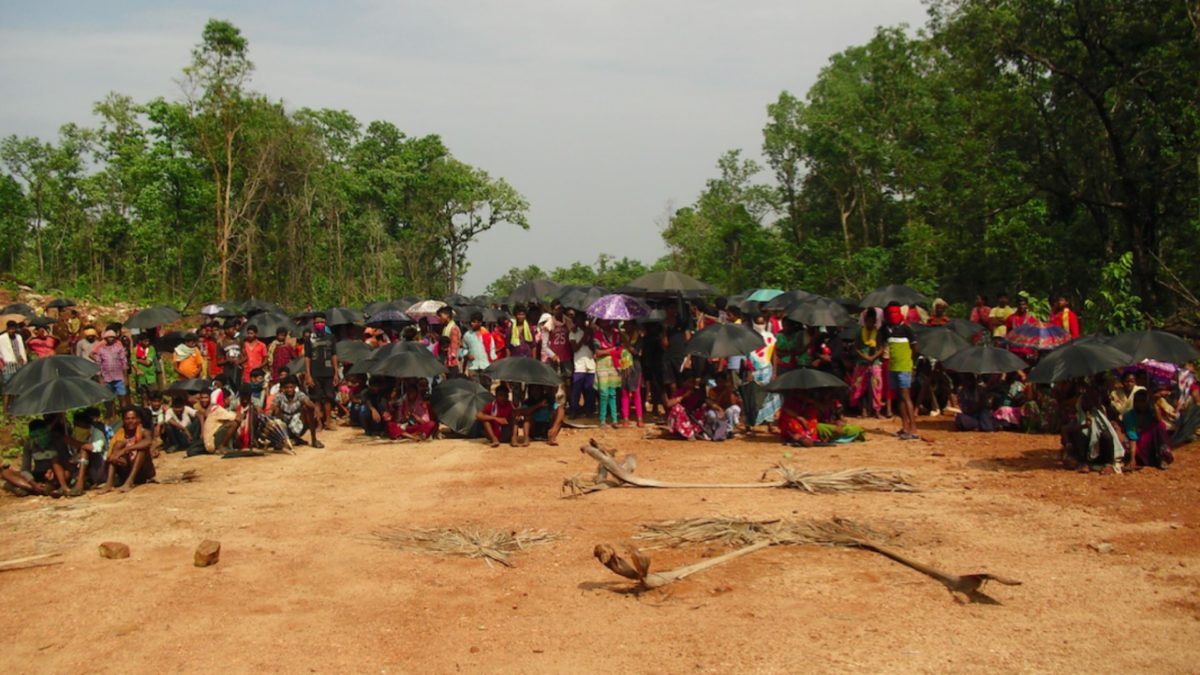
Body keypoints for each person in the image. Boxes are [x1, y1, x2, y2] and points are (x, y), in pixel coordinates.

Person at [883, 302, 920, 440]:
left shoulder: (907, 329)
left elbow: (915, 349)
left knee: (905, 396)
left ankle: (913, 429)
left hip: (904, 367)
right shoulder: (887, 329)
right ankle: (905, 427)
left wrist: (910, 363)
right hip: (893, 367)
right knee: (899, 397)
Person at [99, 407, 155, 493]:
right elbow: (112, 456)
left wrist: (126, 449)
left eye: (133, 418)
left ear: (138, 419)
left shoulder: (144, 431)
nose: (130, 421)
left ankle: (129, 482)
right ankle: (109, 483)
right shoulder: (120, 433)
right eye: (127, 419)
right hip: (126, 469)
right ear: (123, 420)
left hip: (143, 472)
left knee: (142, 448)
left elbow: (148, 441)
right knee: (118, 444)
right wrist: (117, 458)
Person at [304, 316, 339, 431]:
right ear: (313, 324)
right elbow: (307, 357)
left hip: (328, 372)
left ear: (325, 323)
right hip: (315, 373)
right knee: (317, 399)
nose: (319, 323)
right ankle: (319, 423)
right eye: (317, 322)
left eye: (322, 322)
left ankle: (328, 422)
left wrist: (336, 372)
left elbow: (334, 355)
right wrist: (308, 375)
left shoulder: (331, 337)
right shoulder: (309, 339)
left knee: (328, 398)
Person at [19, 418, 71, 495]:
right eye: (36, 436)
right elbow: (25, 469)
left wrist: (52, 470)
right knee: (7, 473)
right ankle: (35, 488)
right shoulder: (29, 444)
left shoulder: (56, 441)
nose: (40, 438)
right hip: (38, 475)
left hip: (56, 474)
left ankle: (43, 488)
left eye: (43, 434)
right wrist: (33, 483)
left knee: (66, 473)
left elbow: (66, 461)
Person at [746, 314, 780, 428]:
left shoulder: (770, 336)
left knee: (769, 395)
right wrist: (749, 371)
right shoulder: (748, 336)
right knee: (753, 396)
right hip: (753, 369)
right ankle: (751, 423)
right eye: (758, 323)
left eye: (762, 323)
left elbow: (774, 355)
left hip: (767, 368)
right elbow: (746, 355)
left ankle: (769, 422)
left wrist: (774, 372)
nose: (760, 325)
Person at [848, 308, 884, 417]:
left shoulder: (878, 333)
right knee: (858, 386)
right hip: (862, 362)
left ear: (874, 321)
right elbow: (856, 347)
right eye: (868, 321)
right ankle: (863, 410)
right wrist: (864, 357)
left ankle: (877, 410)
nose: (869, 323)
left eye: (872, 321)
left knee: (877, 386)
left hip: (875, 362)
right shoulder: (859, 332)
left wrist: (873, 357)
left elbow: (882, 348)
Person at [272, 376, 324, 448]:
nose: (289, 390)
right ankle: (281, 440)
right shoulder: (279, 397)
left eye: (291, 387)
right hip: (284, 426)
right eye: (287, 388)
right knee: (276, 412)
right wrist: (275, 409)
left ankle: (314, 440)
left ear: (294, 387)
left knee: (307, 409)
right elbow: (273, 411)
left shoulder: (299, 395)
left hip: (298, 425)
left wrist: (314, 409)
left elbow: (309, 403)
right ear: (284, 388)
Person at [65, 409, 107, 494]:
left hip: (98, 467)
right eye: (77, 425)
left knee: (85, 450)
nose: (79, 428)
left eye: (81, 426)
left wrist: (75, 443)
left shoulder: (98, 433)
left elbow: (95, 448)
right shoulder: (74, 434)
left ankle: (80, 483)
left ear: (88, 425)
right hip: (80, 465)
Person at [593, 319, 622, 428]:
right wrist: (611, 350)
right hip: (603, 365)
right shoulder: (597, 334)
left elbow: (617, 349)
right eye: (603, 321)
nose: (606, 323)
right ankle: (602, 420)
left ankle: (614, 420)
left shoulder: (616, 333)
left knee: (612, 393)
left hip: (613, 365)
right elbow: (597, 352)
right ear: (600, 323)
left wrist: (606, 351)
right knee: (604, 393)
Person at [93, 329, 130, 408]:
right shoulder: (101, 350)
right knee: (109, 399)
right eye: (109, 337)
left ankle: (123, 413)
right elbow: (98, 364)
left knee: (122, 396)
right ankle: (112, 415)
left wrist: (126, 377)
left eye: (112, 337)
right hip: (107, 378)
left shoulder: (119, 349)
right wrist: (100, 378)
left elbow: (124, 363)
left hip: (119, 377)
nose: (111, 339)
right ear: (105, 339)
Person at [568, 316, 596, 417]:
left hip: (590, 363)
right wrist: (583, 338)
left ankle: (589, 410)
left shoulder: (590, 331)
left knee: (589, 390)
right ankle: (574, 411)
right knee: (576, 390)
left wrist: (589, 339)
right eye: (580, 320)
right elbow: (575, 348)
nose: (582, 322)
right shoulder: (573, 333)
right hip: (579, 364)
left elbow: (594, 348)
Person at [665, 375, 706, 440]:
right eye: (690, 382)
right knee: (677, 408)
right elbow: (668, 404)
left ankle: (696, 431)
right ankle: (685, 432)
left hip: (691, 416)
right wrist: (683, 396)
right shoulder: (680, 391)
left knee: (703, 408)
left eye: (693, 382)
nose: (692, 384)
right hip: (682, 417)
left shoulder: (697, 393)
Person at [619, 322, 644, 427]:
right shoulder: (620, 337)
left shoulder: (638, 338)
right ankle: (625, 418)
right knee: (624, 393)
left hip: (635, 367)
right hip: (624, 367)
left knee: (636, 393)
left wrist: (628, 345)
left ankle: (639, 418)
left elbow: (637, 352)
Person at [1, 319, 28, 412]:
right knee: (7, 389)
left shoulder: (18, 337)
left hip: (18, 364)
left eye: (13, 329)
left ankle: (14, 409)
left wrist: (23, 360)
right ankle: (5, 411)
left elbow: (21, 350)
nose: (11, 331)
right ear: (7, 329)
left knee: (16, 388)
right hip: (8, 364)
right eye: (10, 329)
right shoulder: (2, 338)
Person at [463, 313, 494, 386]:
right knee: (475, 389)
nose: (474, 324)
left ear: (480, 322)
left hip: (486, 366)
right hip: (473, 366)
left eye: (476, 322)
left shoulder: (487, 335)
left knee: (486, 388)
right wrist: (467, 354)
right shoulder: (467, 335)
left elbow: (492, 349)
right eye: (473, 322)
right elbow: (462, 349)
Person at [131, 333, 159, 403]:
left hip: (150, 375)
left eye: (148, 341)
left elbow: (148, 362)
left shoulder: (151, 349)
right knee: (143, 393)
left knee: (154, 394)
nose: (147, 343)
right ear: (140, 341)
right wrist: (137, 370)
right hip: (141, 376)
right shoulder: (135, 350)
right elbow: (133, 362)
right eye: (145, 341)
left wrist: (138, 360)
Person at [436, 306, 463, 372]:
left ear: (447, 316)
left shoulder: (453, 329)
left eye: (440, 316)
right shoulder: (446, 327)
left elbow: (453, 349)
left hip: (452, 364)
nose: (439, 318)